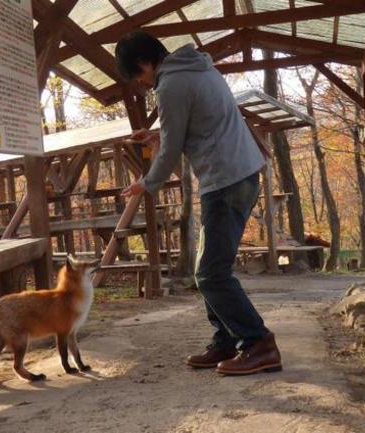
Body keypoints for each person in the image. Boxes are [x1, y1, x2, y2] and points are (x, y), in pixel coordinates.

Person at [114, 31, 282, 376]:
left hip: (225, 179)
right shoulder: (199, 68)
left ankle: (258, 343)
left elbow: (171, 149)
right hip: (239, 174)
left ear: (144, 62)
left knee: (210, 273)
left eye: (137, 75)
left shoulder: (170, 84)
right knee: (207, 269)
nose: (142, 83)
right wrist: (158, 135)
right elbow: (200, 123)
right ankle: (226, 339)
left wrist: (146, 183)